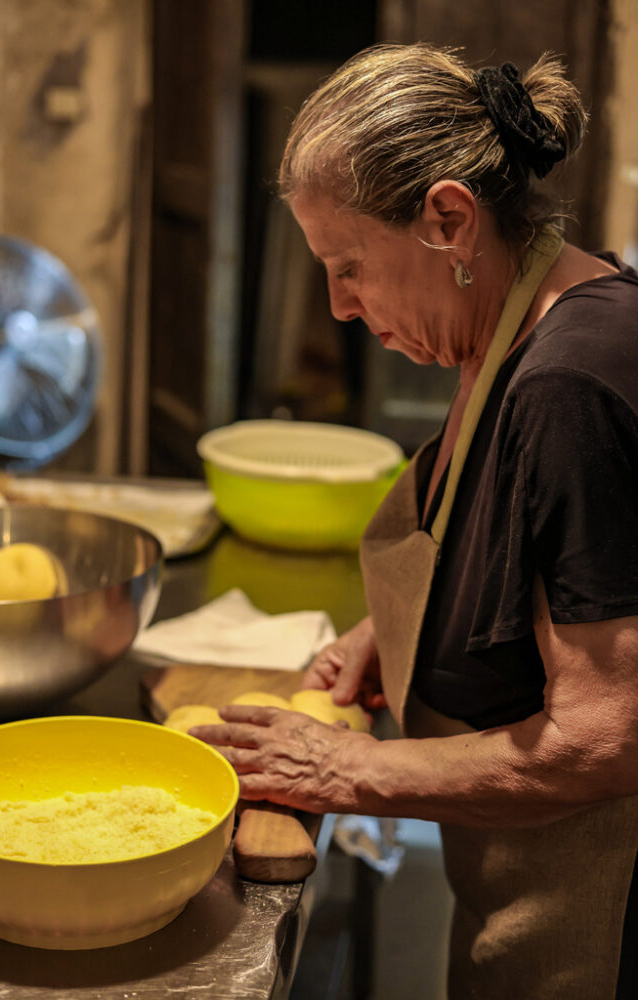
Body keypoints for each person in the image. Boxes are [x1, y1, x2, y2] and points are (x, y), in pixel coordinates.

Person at [190, 44, 638, 999]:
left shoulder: (570, 385)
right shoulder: (511, 331)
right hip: (513, 891)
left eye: (348, 265)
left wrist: (347, 769)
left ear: (447, 218)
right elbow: (514, 549)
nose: (338, 308)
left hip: (599, 925)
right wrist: (383, 633)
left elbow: (609, 737)